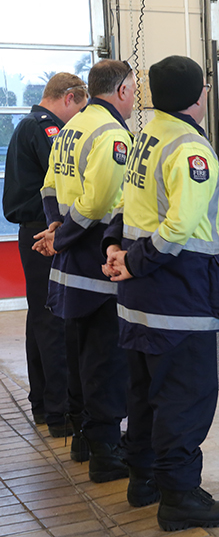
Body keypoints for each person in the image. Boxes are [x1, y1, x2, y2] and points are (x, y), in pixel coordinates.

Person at [103, 55, 219, 529]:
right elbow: (180, 224)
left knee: (144, 393)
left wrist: (118, 251)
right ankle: (180, 498)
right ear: (199, 95)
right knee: (186, 397)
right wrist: (137, 261)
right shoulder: (189, 147)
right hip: (179, 296)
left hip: (143, 301)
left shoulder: (148, 136)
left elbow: (129, 205)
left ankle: (143, 480)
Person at [35, 60, 135, 482]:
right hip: (96, 260)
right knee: (105, 359)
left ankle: (81, 438)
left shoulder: (72, 126)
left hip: (70, 260)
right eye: (134, 88)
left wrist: (56, 226)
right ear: (123, 90)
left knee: (78, 352)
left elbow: (49, 185)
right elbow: (98, 204)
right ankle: (105, 453)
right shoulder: (112, 134)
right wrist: (65, 234)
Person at [3, 73, 87, 439]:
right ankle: (60, 412)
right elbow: (66, 180)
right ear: (68, 98)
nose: (81, 118)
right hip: (44, 230)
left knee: (40, 317)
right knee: (54, 321)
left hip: (33, 229)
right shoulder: (47, 129)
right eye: (81, 109)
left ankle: (43, 404)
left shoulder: (29, 125)